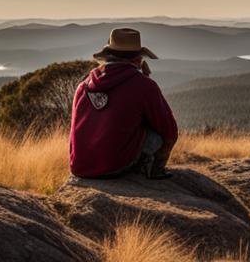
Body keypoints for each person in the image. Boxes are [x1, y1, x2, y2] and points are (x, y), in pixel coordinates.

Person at [69, 27, 178, 179]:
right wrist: (146, 79)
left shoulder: (83, 86)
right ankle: (154, 172)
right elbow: (169, 129)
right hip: (114, 167)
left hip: (79, 168)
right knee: (157, 137)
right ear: (138, 60)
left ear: (106, 57)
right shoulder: (143, 86)